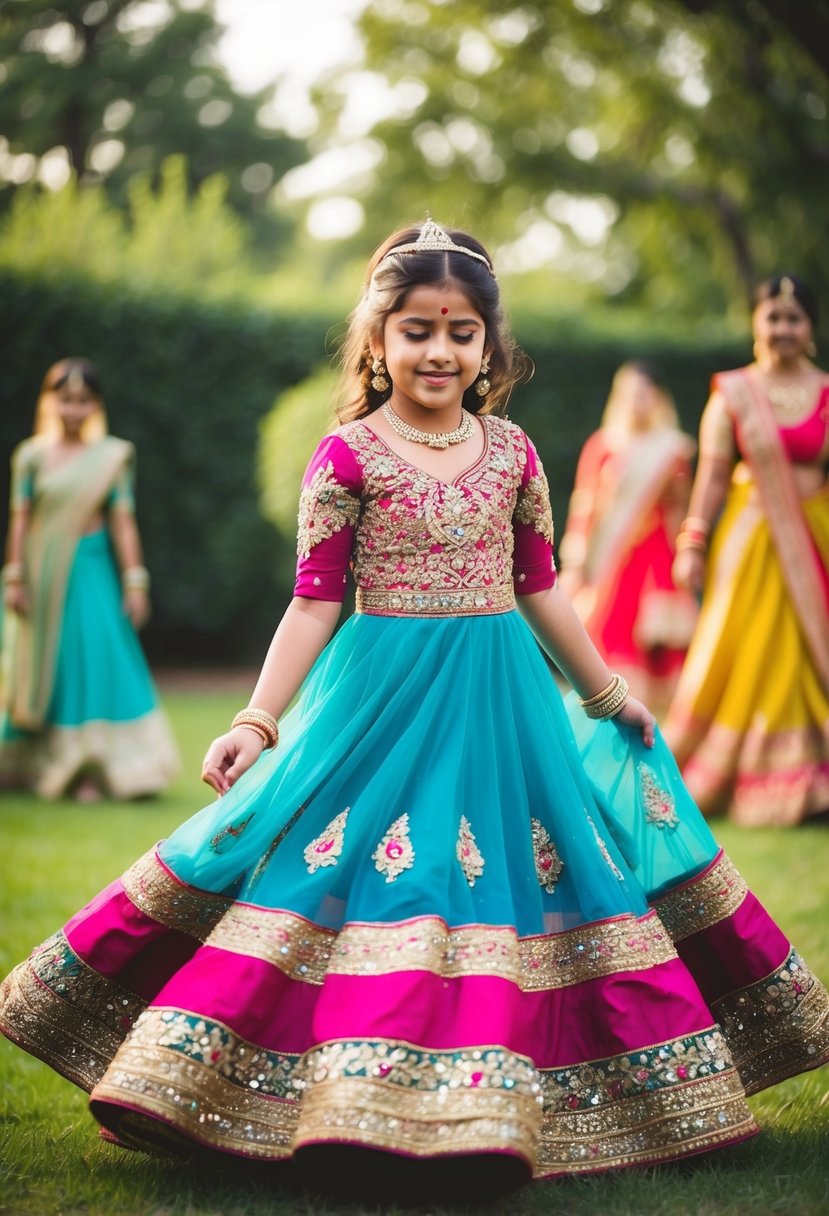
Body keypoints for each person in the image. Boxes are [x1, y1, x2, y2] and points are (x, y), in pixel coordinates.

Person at [0, 228, 826, 1199]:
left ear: (488, 347)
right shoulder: (347, 454)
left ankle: (504, 1096)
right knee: (386, 875)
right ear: (376, 339)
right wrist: (259, 722)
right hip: (376, 706)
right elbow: (313, 602)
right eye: (417, 329)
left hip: (503, 703)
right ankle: (340, 1091)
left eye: (461, 332)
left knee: (511, 885)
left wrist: (608, 696)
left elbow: (540, 589)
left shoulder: (514, 451)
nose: (439, 351)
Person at [664, 274, 829, 825]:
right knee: (752, 649)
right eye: (773, 318)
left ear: (810, 327)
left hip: (816, 539)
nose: (783, 328)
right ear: (757, 324)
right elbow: (712, 474)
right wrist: (693, 540)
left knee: (811, 649)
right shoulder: (734, 392)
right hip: (752, 540)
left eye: (794, 318)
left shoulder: (826, 390)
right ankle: (754, 780)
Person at [0, 358, 180, 800]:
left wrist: (136, 581)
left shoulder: (111, 456)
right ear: (50, 401)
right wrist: (15, 577)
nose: (73, 409)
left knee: (99, 660)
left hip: (93, 571)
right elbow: (20, 520)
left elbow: (122, 522)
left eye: (83, 401)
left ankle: (100, 770)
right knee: (45, 665)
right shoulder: (30, 456)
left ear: (95, 405)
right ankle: (37, 767)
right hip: (42, 573)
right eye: (65, 399)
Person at [558, 361, 698, 715]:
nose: (637, 402)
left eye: (644, 394)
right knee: (608, 644)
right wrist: (576, 563)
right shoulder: (603, 445)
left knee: (661, 654)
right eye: (630, 394)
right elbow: (584, 506)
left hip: (656, 561)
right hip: (611, 565)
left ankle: (661, 737)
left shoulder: (673, 449)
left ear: (658, 399)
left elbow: (682, 512)